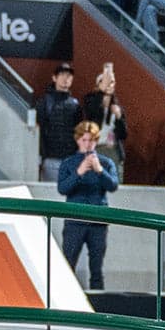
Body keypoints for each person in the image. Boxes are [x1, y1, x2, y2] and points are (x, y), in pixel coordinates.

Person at [56, 120, 117, 290]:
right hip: (75, 221)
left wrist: (99, 170)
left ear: (96, 141)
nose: (88, 144)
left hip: (98, 222)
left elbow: (112, 185)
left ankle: (98, 309)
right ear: (77, 140)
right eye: (84, 140)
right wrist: (79, 171)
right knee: (68, 265)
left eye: (91, 140)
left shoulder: (105, 163)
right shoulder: (69, 163)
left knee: (97, 269)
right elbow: (63, 188)